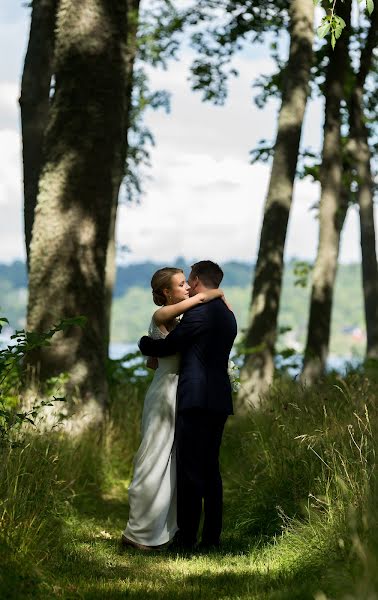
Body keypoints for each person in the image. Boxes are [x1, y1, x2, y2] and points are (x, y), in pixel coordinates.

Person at [121, 267, 225, 550]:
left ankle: (165, 530)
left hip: (180, 391)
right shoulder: (162, 315)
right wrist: (216, 292)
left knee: (174, 462)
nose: (188, 288)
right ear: (167, 292)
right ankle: (138, 533)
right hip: (166, 393)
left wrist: (152, 348)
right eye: (181, 284)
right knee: (154, 456)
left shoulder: (178, 319)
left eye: (187, 283)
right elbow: (200, 301)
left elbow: (153, 360)